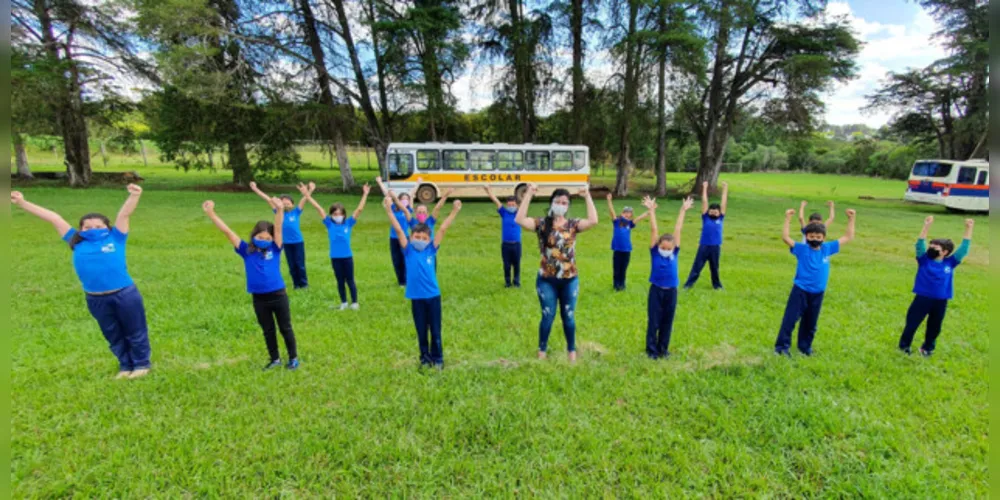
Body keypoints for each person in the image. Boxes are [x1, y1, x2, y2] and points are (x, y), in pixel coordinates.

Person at [11, 186, 152, 380]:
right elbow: (54, 218)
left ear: (108, 227)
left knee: (134, 330)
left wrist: (135, 195)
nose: (93, 229)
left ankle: (141, 364)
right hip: (96, 298)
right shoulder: (76, 241)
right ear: (81, 230)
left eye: (98, 226)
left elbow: (125, 213)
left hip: (125, 294)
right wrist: (22, 203)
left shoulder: (116, 237)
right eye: (87, 227)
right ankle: (125, 365)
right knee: (112, 333)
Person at [203, 199, 300, 370]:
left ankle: (293, 358)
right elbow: (227, 231)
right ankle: (275, 359)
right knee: (268, 330)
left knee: (285, 328)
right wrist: (211, 214)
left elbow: (278, 228)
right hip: (259, 299)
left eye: (267, 238)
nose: (263, 240)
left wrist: (279, 210)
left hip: (278, 295)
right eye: (259, 237)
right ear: (253, 236)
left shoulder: (275, 248)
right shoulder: (246, 250)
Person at [515, 183, 599, 362]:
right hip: (547, 279)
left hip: (570, 279)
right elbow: (520, 220)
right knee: (548, 315)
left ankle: (571, 352)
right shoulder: (542, 224)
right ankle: (541, 352)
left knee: (568, 316)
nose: (561, 205)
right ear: (552, 202)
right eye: (558, 201)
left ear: (568, 206)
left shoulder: (573, 225)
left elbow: (593, 220)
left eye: (565, 202)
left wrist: (587, 196)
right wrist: (529, 194)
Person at [383, 196, 463, 369]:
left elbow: (442, 229)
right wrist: (389, 211)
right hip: (416, 298)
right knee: (421, 331)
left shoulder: (431, 250)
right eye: (416, 236)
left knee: (435, 330)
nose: (420, 239)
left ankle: (438, 358)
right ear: (411, 237)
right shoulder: (408, 250)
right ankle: (424, 359)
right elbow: (398, 229)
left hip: (433, 297)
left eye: (424, 237)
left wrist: (454, 211)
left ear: (429, 239)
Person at [774, 207, 857, 356]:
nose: (815, 239)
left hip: (818, 293)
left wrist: (851, 219)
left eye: (818, 237)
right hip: (800, 291)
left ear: (823, 238)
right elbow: (786, 238)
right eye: (811, 236)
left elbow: (848, 237)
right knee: (790, 319)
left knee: (811, 323)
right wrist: (787, 218)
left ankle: (805, 347)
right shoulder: (802, 249)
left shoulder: (827, 248)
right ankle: (781, 348)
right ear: (806, 236)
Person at [898, 216, 975, 356]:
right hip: (922, 299)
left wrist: (969, 228)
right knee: (912, 323)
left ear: (945, 252)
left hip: (940, 301)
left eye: (935, 248)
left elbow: (963, 250)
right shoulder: (924, 260)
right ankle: (904, 346)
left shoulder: (950, 263)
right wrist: (926, 226)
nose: (931, 249)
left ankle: (927, 348)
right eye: (931, 246)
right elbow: (920, 244)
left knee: (935, 327)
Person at [305, 184, 371, 311]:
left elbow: (359, 210)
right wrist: (308, 195)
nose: (338, 215)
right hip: (335, 258)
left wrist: (365, 194)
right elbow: (319, 209)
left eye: (340, 213)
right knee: (340, 281)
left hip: (347, 257)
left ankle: (355, 302)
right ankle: (344, 302)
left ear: (344, 215)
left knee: (350, 280)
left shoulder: (348, 223)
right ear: (331, 215)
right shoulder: (329, 224)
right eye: (335, 214)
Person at [643, 195, 694, 359]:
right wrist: (651, 211)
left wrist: (683, 210)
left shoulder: (675, 252)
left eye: (668, 248)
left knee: (667, 322)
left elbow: (678, 229)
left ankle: (663, 349)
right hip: (656, 291)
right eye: (663, 247)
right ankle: (651, 350)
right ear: (658, 245)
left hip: (671, 291)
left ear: (673, 247)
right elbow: (654, 230)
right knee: (654, 321)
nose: (665, 249)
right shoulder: (654, 252)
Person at [249, 181, 313, 289]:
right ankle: (296, 284)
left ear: (292, 205)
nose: (286, 204)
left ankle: (304, 284)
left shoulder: (296, 212)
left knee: (300, 264)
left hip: (298, 242)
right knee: (292, 265)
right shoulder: (278, 212)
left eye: (288, 203)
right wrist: (255, 189)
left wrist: (310, 190)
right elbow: (268, 199)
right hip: (286, 243)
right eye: (284, 203)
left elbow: (304, 199)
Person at [684, 181, 728, 290]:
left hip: (715, 247)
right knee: (697, 266)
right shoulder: (705, 218)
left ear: (719, 213)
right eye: (711, 211)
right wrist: (704, 188)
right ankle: (688, 284)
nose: (713, 213)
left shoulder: (721, 218)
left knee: (714, 267)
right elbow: (704, 202)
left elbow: (723, 203)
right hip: (704, 246)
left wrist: (725, 189)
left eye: (715, 212)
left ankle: (717, 285)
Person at [375, 177, 418, 287]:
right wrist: (380, 182)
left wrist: (418, 183)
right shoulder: (393, 208)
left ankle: (409, 279)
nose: (405, 200)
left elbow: (412, 193)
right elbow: (387, 195)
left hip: (405, 237)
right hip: (393, 238)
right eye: (403, 199)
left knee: (406, 258)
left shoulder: (408, 209)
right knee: (396, 260)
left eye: (407, 199)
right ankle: (401, 282)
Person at [607, 193, 650, 291]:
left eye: (629, 214)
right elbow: (612, 212)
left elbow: (640, 218)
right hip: (617, 250)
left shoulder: (630, 224)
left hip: (627, 250)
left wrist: (649, 211)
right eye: (625, 213)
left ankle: (622, 285)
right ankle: (616, 285)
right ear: (622, 214)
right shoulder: (617, 222)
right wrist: (609, 201)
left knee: (623, 269)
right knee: (616, 269)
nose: (627, 214)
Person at [484, 185, 523, 288]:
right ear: (507, 205)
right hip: (506, 245)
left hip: (516, 245)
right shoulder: (504, 213)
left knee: (517, 265)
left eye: (513, 204)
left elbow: (524, 204)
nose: (511, 206)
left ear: (516, 205)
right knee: (506, 265)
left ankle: (516, 282)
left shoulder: (519, 214)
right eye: (509, 204)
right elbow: (496, 201)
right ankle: (507, 282)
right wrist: (488, 190)